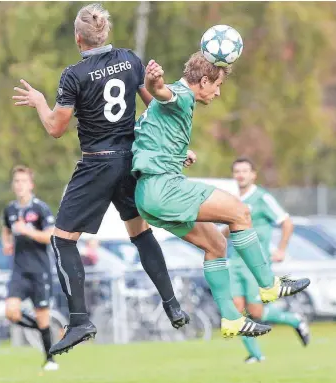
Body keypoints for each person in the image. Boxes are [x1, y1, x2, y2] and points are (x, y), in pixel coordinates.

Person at [12, 3, 188, 355]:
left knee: (62, 241)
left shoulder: (73, 75)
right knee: (140, 234)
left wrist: (40, 101)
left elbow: (56, 129)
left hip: (96, 164)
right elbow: (155, 106)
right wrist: (174, 144)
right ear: (104, 32)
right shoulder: (131, 59)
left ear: (79, 37)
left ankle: (79, 320)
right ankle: (172, 305)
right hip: (129, 161)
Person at [131, 53, 311, 338]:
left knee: (216, 243)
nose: (217, 92)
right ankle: (269, 285)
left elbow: (157, 115)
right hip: (164, 188)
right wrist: (154, 84)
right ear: (203, 81)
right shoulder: (182, 95)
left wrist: (179, 154)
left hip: (146, 196)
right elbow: (163, 94)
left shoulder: (169, 106)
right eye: (217, 85)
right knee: (240, 212)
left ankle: (230, 319)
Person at [228, 157, 310, 363]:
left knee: (255, 311)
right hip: (235, 262)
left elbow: (286, 222)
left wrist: (281, 249)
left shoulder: (262, 198)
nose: (240, 175)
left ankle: (294, 319)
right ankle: (256, 355)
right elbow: (230, 228)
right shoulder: (232, 200)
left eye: (245, 171)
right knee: (236, 311)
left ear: (253, 174)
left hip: (256, 265)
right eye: (237, 171)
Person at [2, 165, 58, 371]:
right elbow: (6, 229)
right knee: (10, 312)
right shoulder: (10, 209)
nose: (19, 185)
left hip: (39, 270)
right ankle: (42, 330)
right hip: (19, 270)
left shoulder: (40, 208)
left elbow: (49, 236)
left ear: (31, 184)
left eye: (23, 181)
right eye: (16, 181)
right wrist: (6, 243)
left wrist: (27, 231)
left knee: (42, 314)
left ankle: (50, 360)